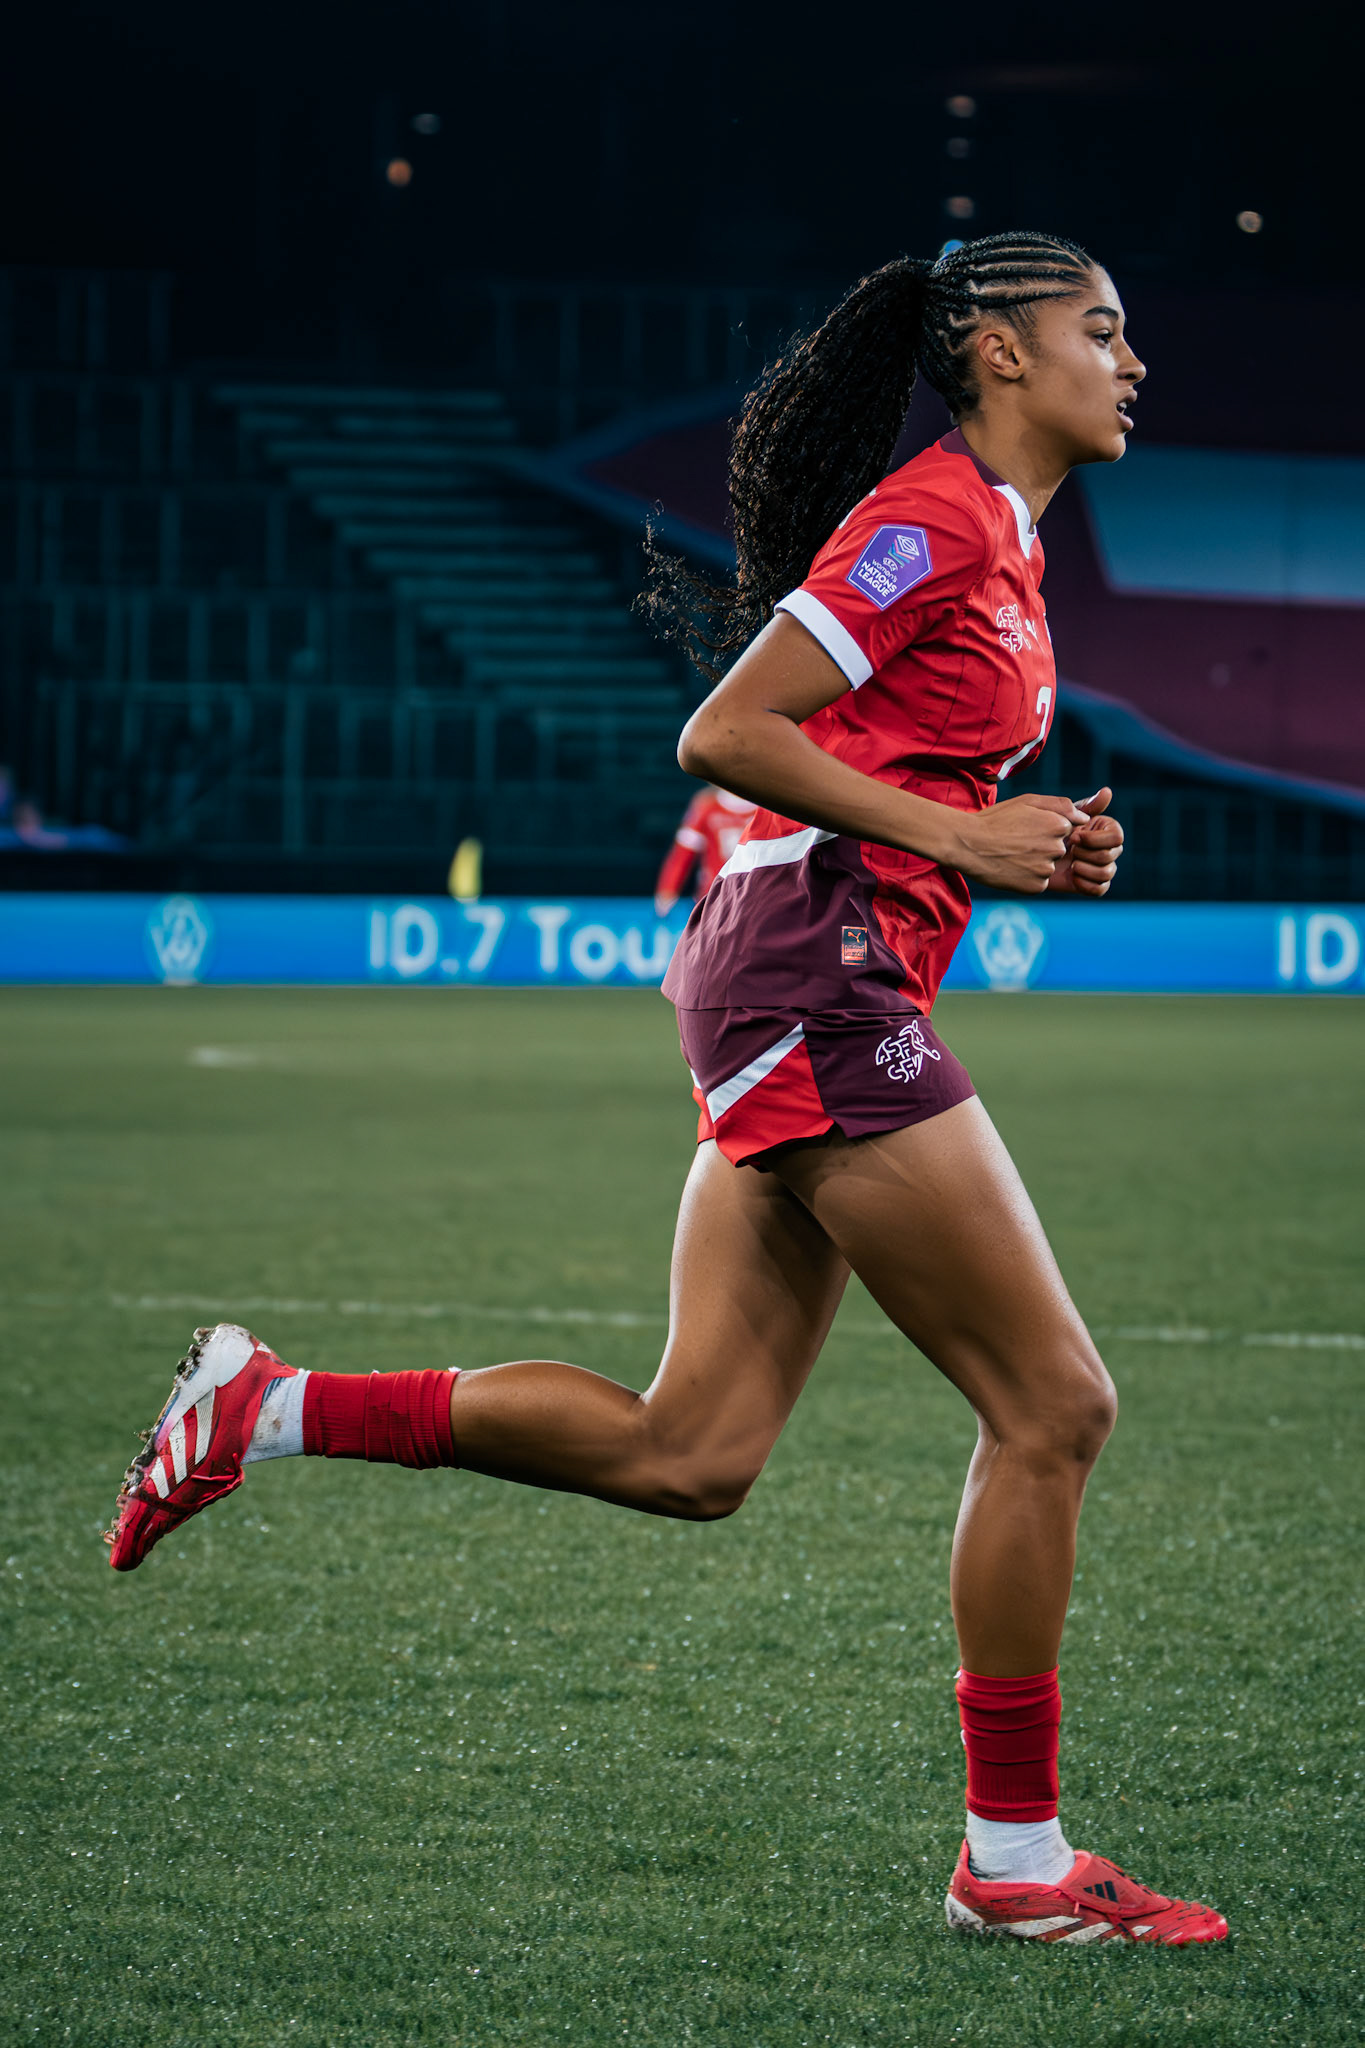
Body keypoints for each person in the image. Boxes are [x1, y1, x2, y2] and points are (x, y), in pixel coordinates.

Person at [105, 231, 1226, 1946]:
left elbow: (884, 764)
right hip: (813, 979)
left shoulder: (998, 536)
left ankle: (260, 1401)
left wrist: (1022, 843)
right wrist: (958, 835)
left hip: (806, 973)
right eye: (1101, 328)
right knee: (1055, 1407)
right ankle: (1013, 1867)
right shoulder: (931, 519)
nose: (1131, 359)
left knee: (693, 1449)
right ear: (998, 350)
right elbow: (723, 729)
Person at [654, 785, 758, 916]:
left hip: (753, 897)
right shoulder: (706, 805)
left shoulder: (769, 806)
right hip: (713, 897)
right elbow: (683, 853)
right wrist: (667, 891)